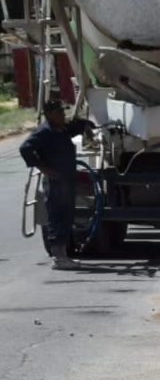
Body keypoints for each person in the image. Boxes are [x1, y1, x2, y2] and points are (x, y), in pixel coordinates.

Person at [19, 99, 94, 270]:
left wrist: (86, 125)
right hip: (55, 183)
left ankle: (63, 255)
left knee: (66, 217)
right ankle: (58, 257)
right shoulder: (44, 132)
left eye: (63, 112)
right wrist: (43, 168)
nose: (63, 115)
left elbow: (75, 127)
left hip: (66, 181)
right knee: (57, 217)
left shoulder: (61, 129)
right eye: (59, 112)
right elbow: (25, 149)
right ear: (49, 115)